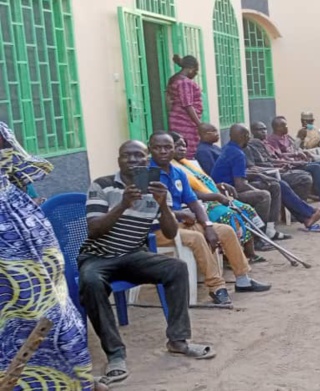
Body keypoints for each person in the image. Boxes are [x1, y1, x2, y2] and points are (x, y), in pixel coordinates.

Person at [79, 140, 217, 385]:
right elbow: (94, 229)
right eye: (127, 156)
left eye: (139, 157)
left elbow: (171, 232)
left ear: (147, 160)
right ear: (119, 160)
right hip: (98, 256)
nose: (133, 161)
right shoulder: (102, 185)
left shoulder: (155, 188)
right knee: (90, 281)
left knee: (176, 268)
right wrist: (122, 204)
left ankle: (178, 340)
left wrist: (164, 206)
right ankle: (115, 355)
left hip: (133, 255)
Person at [0, 123, 107, 390]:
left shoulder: (12, 190)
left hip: (39, 272)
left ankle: (77, 381)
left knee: (56, 325)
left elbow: (22, 172)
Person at [149, 132, 272, 305]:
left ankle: (243, 279)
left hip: (184, 223)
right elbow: (147, 210)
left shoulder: (178, 172)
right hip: (159, 230)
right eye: (157, 147)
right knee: (197, 238)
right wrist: (180, 214)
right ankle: (216, 287)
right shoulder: (147, 175)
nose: (163, 151)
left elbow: (194, 203)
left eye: (167, 147)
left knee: (225, 231)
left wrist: (207, 225)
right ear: (150, 149)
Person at [170, 132, 274, 260]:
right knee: (230, 216)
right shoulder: (172, 169)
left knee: (246, 209)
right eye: (177, 145)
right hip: (201, 204)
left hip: (214, 197)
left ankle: (250, 252)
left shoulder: (188, 164)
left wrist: (218, 186)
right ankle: (232, 257)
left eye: (184, 145)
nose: (182, 148)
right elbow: (190, 194)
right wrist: (216, 196)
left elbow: (203, 183)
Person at [211, 124, 320, 232]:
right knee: (273, 187)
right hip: (230, 192)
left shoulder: (228, 148)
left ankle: (306, 216)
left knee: (277, 183)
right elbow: (240, 184)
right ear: (245, 136)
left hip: (227, 187)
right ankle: (271, 229)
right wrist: (257, 188)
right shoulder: (238, 153)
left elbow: (238, 173)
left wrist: (259, 175)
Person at [266, 116, 320, 212]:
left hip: (299, 161)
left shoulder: (286, 137)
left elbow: (296, 147)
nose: (287, 127)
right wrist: (296, 154)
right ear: (278, 128)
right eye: (285, 126)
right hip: (291, 165)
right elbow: (279, 155)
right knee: (316, 167)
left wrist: (303, 152)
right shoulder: (272, 140)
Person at [167, 54, 203, 159]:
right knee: (188, 149)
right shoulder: (184, 82)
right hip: (185, 121)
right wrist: (199, 125)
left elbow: (168, 101)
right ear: (191, 69)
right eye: (196, 71)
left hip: (178, 118)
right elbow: (187, 104)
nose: (195, 74)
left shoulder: (174, 79)